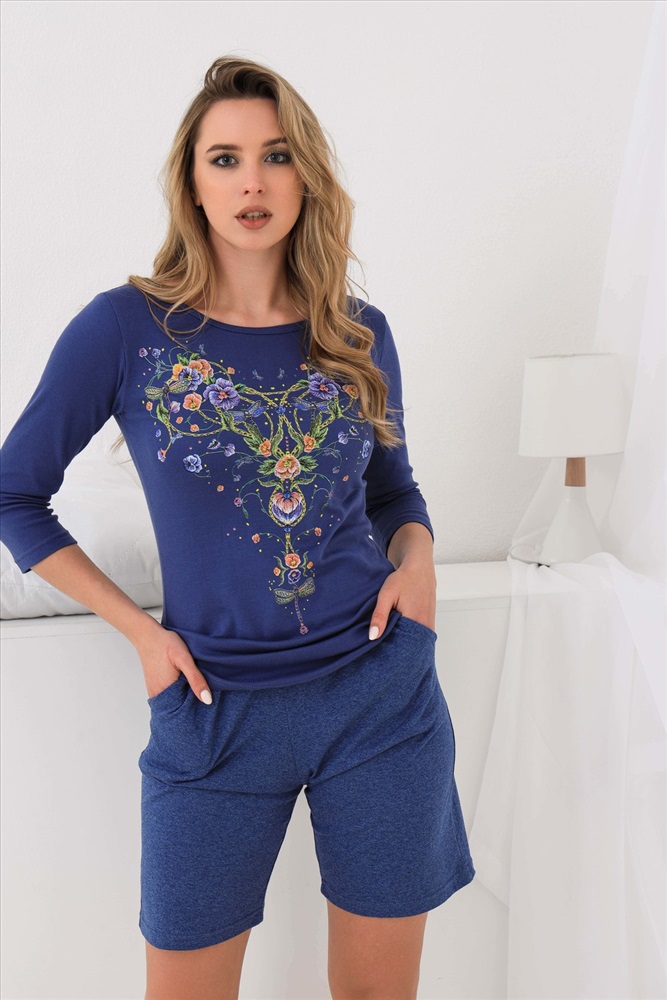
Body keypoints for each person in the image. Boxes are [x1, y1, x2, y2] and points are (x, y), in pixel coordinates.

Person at [0, 56, 475, 1000]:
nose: (252, 181)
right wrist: (142, 634)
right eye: (225, 158)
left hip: (378, 699)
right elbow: (15, 493)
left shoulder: (357, 332)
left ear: (307, 177)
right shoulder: (127, 329)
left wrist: (417, 561)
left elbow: (393, 492)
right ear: (192, 182)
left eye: (276, 155)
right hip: (210, 706)